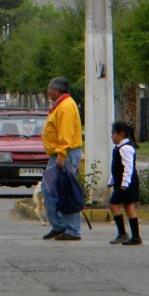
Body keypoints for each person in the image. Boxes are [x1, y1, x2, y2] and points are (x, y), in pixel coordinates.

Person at [40, 76, 84, 241]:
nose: (48, 92)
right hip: (60, 153)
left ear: (56, 90)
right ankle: (59, 225)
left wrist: (61, 154)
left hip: (64, 153)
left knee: (66, 190)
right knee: (51, 189)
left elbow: (65, 133)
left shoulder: (65, 106)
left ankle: (71, 229)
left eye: (49, 89)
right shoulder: (61, 105)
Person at [108, 121, 143, 246]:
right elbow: (116, 167)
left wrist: (125, 183)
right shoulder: (118, 148)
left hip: (127, 183)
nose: (111, 136)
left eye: (113, 133)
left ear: (121, 134)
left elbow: (128, 167)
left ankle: (123, 233)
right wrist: (111, 180)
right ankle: (135, 237)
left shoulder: (126, 148)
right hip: (122, 182)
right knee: (128, 207)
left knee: (113, 204)